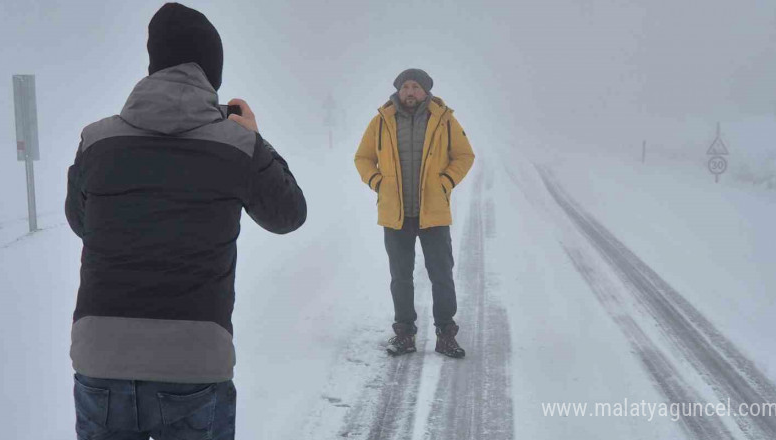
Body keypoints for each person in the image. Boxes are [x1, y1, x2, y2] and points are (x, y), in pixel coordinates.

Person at [64, 3, 306, 439]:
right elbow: (288, 215)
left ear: (154, 64)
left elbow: (82, 223)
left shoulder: (96, 141)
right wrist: (253, 136)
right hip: (195, 361)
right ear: (212, 73)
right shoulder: (237, 145)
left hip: (101, 357)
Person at [354, 68, 475, 358]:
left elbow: (464, 155)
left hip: (432, 212)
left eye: (416, 87)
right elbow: (363, 157)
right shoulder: (381, 121)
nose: (410, 91)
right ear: (398, 90)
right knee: (400, 276)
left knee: (441, 275)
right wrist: (377, 182)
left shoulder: (444, 120)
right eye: (405, 86)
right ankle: (404, 334)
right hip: (396, 214)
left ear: (426, 91)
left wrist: (445, 182)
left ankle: (446, 333)